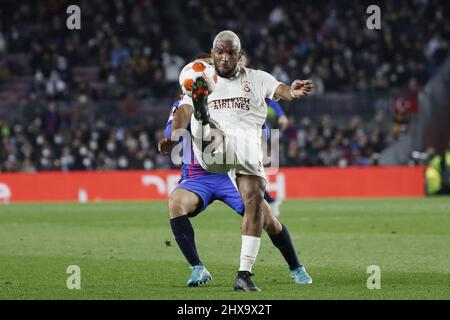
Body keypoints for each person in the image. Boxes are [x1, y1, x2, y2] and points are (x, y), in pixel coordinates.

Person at [173, 31, 312, 291]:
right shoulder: (201, 79)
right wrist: (176, 134)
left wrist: (292, 91)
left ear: (240, 55)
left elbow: (281, 90)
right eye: (219, 52)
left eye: (230, 53)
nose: (224, 58)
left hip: (245, 152)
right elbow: (182, 111)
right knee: (206, 127)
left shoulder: (257, 79)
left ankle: (247, 274)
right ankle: (204, 115)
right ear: (212, 53)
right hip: (212, 155)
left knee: (260, 213)